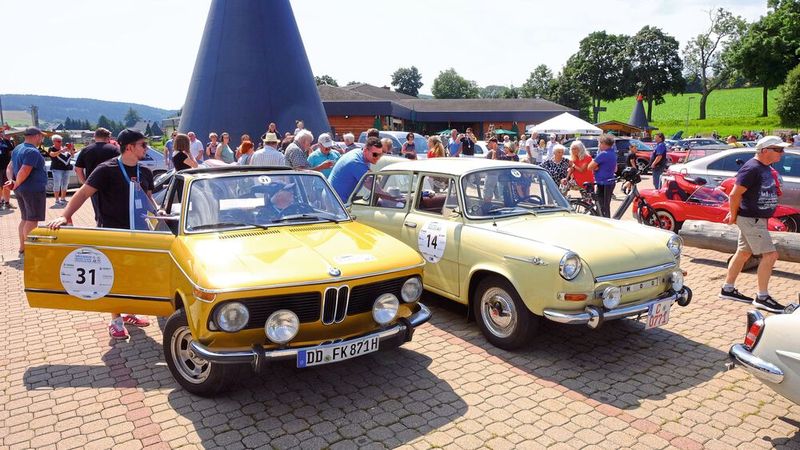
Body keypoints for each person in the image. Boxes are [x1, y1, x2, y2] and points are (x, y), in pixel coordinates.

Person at [48, 129, 157, 339]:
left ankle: (129, 312)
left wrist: (158, 211)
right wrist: (65, 216)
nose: (147, 148)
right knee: (114, 276)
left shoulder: (145, 172)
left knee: (133, 275)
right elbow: (82, 193)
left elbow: (148, 199)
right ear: (130, 147)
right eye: (143, 145)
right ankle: (115, 320)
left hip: (139, 234)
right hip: (112, 232)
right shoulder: (106, 169)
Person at [719, 136, 789, 312]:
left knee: (743, 253)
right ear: (765, 150)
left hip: (757, 219)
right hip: (752, 220)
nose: (782, 152)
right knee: (770, 256)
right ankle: (762, 297)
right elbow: (734, 195)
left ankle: (727, 289)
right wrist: (733, 215)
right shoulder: (751, 168)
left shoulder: (764, 167)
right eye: (778, 149)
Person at [6, 127, 47, 256]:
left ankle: (23, 248)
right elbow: (24, 170)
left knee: (25, 219)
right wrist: (15, 183)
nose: (42, 139)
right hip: (33, 190)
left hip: (22, 189)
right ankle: (30, 250)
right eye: (42, 136)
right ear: (36, 136)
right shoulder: (32, 151)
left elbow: (10, 167)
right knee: (32, 220)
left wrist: (11, 181)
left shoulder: (18, 148)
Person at [74, 127, 119, 226]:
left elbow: (78, 169)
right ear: (108, 137)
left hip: (93, 185)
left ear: (94, 136)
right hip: (112, 185)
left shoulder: (86, 150)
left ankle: (100, 226)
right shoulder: (114, 149)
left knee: (98, 211)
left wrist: (85, 183)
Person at [329, 136, 383, 201]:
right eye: (375, 154)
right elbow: (371, 184)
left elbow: (369, 176)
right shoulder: (356, 162)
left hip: (335, 197)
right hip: (334, 200)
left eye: (380, 154)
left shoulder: (360, 153)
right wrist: (391, 198)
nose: (378, 157)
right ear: (365, 150)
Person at [588, 134, 617, 218]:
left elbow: (589, 167)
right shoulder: (613, 153)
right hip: (609, 182)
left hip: (603, 183)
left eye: (599, 143)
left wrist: (596, 167)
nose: (598, 145)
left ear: (604, 143)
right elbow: (615, 169)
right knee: (605, 205)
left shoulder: (603, 154)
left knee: (601, 206)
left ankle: (604, 222)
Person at [48, 134, 75, 205]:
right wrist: (60, 151)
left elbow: (72, 155)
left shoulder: (64, 148)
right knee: (57, 184)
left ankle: (63, 199)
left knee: (65, 184)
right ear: (54, 142)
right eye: (59, 141)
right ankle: (57, 200)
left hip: (66, 169)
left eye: (61, 141)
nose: (61, 143)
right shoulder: (52, 148)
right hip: (57, 169)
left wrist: (71, 149)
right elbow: (52, 154)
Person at [0, 129, 15, 210]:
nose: (1, 133)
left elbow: (12, 152)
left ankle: (7, 202)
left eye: (1, 132)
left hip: (6, 168)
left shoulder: (6, 141)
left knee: (6, 185)